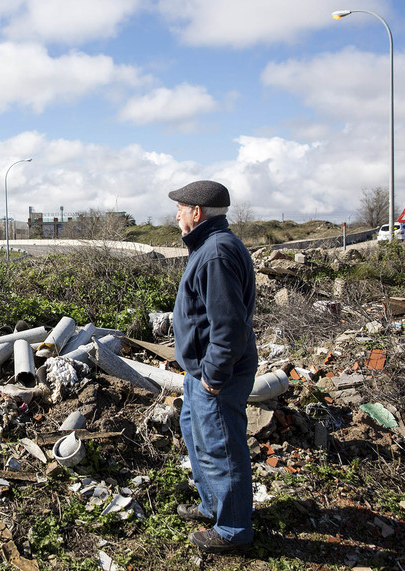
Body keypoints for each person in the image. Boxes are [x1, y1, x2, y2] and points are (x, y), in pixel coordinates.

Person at [168, 180, 257, 553]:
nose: (176, 214)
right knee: (199, 439)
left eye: (180, 208)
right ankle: (212, 506)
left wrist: (213, 379)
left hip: (214, 375)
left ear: (197, 213)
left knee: (221, 449)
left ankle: (233, 530)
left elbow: (229, 327)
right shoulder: (208, 246)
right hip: (200, 373)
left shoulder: (216, 253)